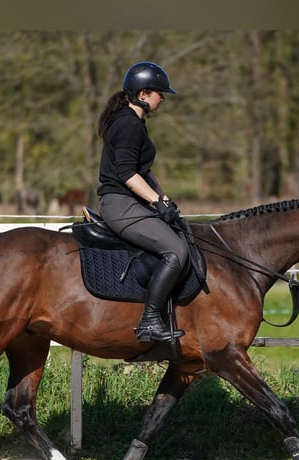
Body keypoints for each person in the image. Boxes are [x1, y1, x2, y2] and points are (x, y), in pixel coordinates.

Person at [96, 61, 188, 343]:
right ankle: (149, 321)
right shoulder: (127, 124)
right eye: (160, 93)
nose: (163, 99)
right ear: (143, 94)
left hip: (129, 203)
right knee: (177, 251)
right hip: (120, 204)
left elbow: (143, 173)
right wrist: (157, 203)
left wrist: (163, 200)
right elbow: (126, 173)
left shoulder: (133, 122)